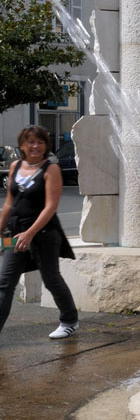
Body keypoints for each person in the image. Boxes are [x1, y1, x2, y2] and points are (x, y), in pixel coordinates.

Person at [0, 125, 78, 339]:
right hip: (15, 233)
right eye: (31, 142)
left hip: (44, 233)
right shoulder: (15, 166)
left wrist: (30, 233)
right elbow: (9, 203)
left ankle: (69, 319)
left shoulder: (50, 169)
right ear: (22, 145)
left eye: (40, 142)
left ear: (46, 146)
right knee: (4, 283)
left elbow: (51, 206)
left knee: (51, 278)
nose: (35, 146)